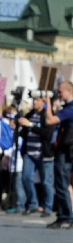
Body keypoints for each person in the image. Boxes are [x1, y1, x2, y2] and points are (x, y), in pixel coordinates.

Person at [17, 93, 55, 217]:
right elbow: (24, 133)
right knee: (26, 178)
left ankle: (47, 208)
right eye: (34, 100)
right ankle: (33, 204)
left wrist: (31, 126)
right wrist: (20, 126)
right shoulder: (30, 115)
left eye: (37, 100)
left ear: (43, 101)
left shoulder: (47, 115)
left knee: (46, 182)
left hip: (43, 154)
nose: (35, 103)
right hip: (29, 152)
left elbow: (47, 134)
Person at [45, 81, 73, 229]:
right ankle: (62, 216)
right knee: (60, 184)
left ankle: (67, 216)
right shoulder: (68, 108)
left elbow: (50, 120)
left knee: (62, 184)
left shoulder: (70, 109)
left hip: (65, 151)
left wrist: (48, 103)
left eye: (61, 91)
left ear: (69, 91)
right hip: (65, 150)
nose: (59, 94)